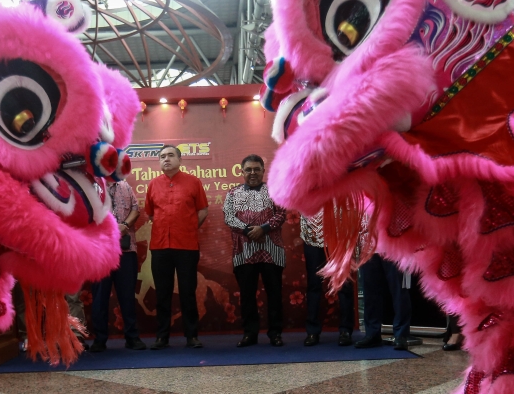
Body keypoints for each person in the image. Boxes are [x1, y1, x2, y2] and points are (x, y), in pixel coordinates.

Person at [144, 144, 209, 349]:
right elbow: (151, 214)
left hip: (187, 245)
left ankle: (191, 336)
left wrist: (188, 228)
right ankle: (162, 336)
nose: (166, 159)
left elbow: (203, 210)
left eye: (171, 155)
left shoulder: (193, 182)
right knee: (162, 292)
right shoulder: (153, 184)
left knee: (188, 291)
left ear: (180, 160)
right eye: (162, 156)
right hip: (160, 246)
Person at [223, 154, 286, 347]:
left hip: (271, 250)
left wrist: (263, 229)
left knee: (274, 294)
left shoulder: (275, 190)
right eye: (248, 169)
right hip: (244, 252)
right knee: (247, 295)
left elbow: (282, 214)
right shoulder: (233, 193)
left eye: (256, 169)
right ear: (241, 172)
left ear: (263, 171)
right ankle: (250, 334)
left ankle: (275, 333)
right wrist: (248, 231)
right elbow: (228, 217)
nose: (252, 173)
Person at [90, 180, 146, 352]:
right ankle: (100, 339)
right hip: (99, 251)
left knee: (128, 296)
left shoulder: (125, 186)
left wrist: (125, 225)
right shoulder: (88, 185)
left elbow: (136, 210)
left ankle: (132, 337)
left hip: (126, 250)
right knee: (99, 297)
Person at [300, 211, 357, 347]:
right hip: (313, 234)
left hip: (340, 234)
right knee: (314, 284)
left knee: (344, 284)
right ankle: (312, 331)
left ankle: (346, 330)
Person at [355, 254, 412, 350]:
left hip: (393, 246)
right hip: (369, 247)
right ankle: (372, 334)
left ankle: (401, 335)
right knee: (370, 291)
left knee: (399, 291)